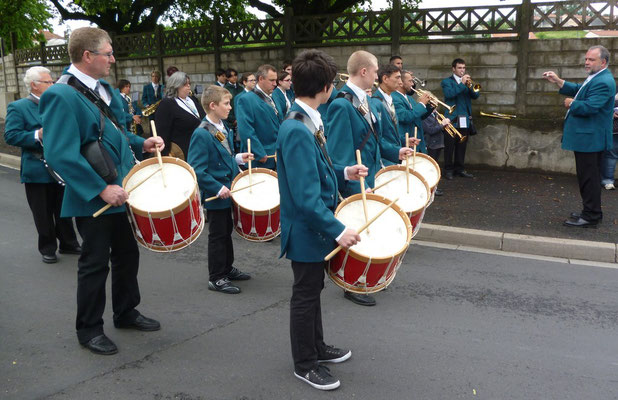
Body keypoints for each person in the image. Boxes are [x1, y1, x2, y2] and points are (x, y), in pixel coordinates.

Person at [39, 27, 165, 355]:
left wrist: (142, 142)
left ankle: (125, 311)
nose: (112, 59)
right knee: (95, 263)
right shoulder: (61, 94)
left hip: (121, 190)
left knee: (127, 255)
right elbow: (59, 153)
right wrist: (100, 189)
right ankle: (89, 329)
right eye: (108, 53)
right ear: (87, 56)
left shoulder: (102, 88)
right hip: (93, 197)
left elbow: (114, 133)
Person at [277, 49, 368, 391]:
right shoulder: (298, 128)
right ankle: (305, 363)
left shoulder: (308, 119)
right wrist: (338, 229)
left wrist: (344, 171)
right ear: (327, 87)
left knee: (312, 290)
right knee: (304, 295)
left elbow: (316, 172)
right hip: (306, 230)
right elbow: (305, 198)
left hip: (313, 227)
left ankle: (316, 347)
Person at [326, 50, 416, 307]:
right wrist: (350, 182)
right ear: (364, 71)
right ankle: (351, 282)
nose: (379, 75)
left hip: (371, 173)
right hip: (357, 179)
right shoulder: (342, 104)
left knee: (368, 229)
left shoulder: (366, 100)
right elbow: (338, 152)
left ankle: (362, 276)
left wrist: (395, 151)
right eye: (376, 71)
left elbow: (374, 141)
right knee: (356, 230)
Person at [5, 66, 81, 264]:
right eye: (48, 82)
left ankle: (68, 242)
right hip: (37, 167)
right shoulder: (19, 107)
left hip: (61, 166)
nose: (53, 84)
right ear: (34, 85)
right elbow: (11, 136)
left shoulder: (58, 104)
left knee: (64, 208)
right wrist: (36, 135)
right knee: (42, 211)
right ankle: (47, 247)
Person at [187, 85, 253, 294]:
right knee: (217, 235)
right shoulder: (202, 133)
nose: (229, 107)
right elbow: (197, 169)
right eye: (226, 104)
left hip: (228, 189)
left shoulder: (222, 127)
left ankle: (227, 267)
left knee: (226, 231)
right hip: (216, 194)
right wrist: (217, 187)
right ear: (213, 105)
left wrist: (238, 158)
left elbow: (222, 157)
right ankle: (216, 277)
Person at [543, 45, 616, 228]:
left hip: (591, 140)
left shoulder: (603, 81)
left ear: (603, 62)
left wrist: (571, 103)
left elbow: (590, 107)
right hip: (589, 139)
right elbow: (580, 89)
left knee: (589, 178)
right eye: (586, 59)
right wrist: (559, 81)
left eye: (591, 59)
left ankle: (591, 216)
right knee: (587, 177)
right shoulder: (597, 77)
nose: (586, 62)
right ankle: (589, 212)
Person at [441, 58, 480, 180]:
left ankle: (460, 169)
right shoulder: (446, 82)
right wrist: (462, 84)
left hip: (464, 119)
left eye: (463, 68)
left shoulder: (467, 82)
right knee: (449, 146)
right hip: (451, 118)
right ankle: (448, 170)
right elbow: (449, 94)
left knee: (462, 146)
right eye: (459, 68)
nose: (462, 70)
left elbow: (476, 95)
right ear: (453, 69)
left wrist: (470, 86)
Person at [235, 64, 280, 170]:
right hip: (262, 157)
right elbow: (246, 129)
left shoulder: (274, 97)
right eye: (271, 80)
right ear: (261, 79)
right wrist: (259, 152)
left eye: (276, 80)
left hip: (277, 155)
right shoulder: (246, 99)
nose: (275, 84)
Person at [154, 71, 206, 160]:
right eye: (185, 84)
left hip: (200, 149)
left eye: (189, 83)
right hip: (181, 154)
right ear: (176, 86)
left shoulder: (192, 100)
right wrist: (165, 157)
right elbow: (162, 133)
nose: (189, 86)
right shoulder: (167, 104)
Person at [371, 64, 405, 166]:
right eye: (397, 77)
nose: (400, 82)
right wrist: (395, 151)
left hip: (393, 155)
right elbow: (379, 137)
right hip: (384, 160)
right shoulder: (375, 102)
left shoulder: (389, 99)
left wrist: (404, 140)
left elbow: (391, 130)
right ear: (385, 79)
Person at [392, 70, 432, 153]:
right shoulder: (394, 98)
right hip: (407, 142)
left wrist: (429, 106)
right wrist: (421, 104)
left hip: (418, 142)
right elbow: (406, 117)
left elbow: (419, 116)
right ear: (401, 83)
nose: (412, 84)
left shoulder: (409, 98)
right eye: (410, 81)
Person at [421, 110, 449, 196]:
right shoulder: (425, 116)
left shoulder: (435, 115)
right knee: (430, 168)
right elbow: (430, 130)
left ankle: (434, 187)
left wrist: (444, 126)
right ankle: (430, 188)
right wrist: (442, 125)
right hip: (431, 144)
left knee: (435, 168)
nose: (436, 108)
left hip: (438, 143)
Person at [600, 93, 618, 190]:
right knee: (611, 156)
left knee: (611, 157)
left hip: (613, 130)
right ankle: (608, 180)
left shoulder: (613, 93)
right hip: (614, 130)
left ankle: (608, 181)